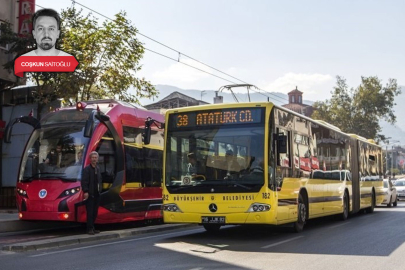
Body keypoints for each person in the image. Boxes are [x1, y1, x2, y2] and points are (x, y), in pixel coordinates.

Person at [81, 151, 102, 235]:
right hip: (90, 194)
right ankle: (89, 229)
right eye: (92, 157)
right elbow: (84, 181)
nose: (94, 159)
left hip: (97, 194)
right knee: (90, 212)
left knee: (95, 212)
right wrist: (85, 191)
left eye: (95, 157)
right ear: (90, 159)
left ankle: (92, 227)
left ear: (97, 159)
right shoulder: (87, 169)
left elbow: (99, 180)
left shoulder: (98, 168)